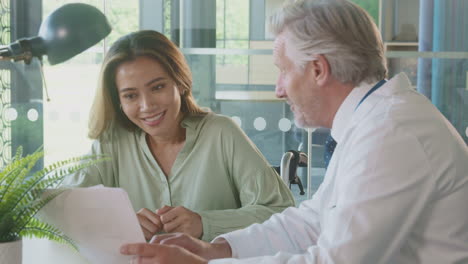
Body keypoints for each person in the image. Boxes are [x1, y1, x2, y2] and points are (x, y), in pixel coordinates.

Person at [119, 0, 468, 263]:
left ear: (318, 69)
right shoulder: (375, 122)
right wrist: (214, 249)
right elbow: (312, 221)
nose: (279, 89)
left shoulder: (391, 134)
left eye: (283, 71)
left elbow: (334, 261)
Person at [63, 30, 295, 242]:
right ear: (119, 102)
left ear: (180, 83)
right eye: (131, 95)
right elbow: (58, 207)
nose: (147, 105)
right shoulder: (112, 143)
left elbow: (281, 212)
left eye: (157, 87)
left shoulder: (221, 133)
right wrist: (119, 224)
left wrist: (205, 224)